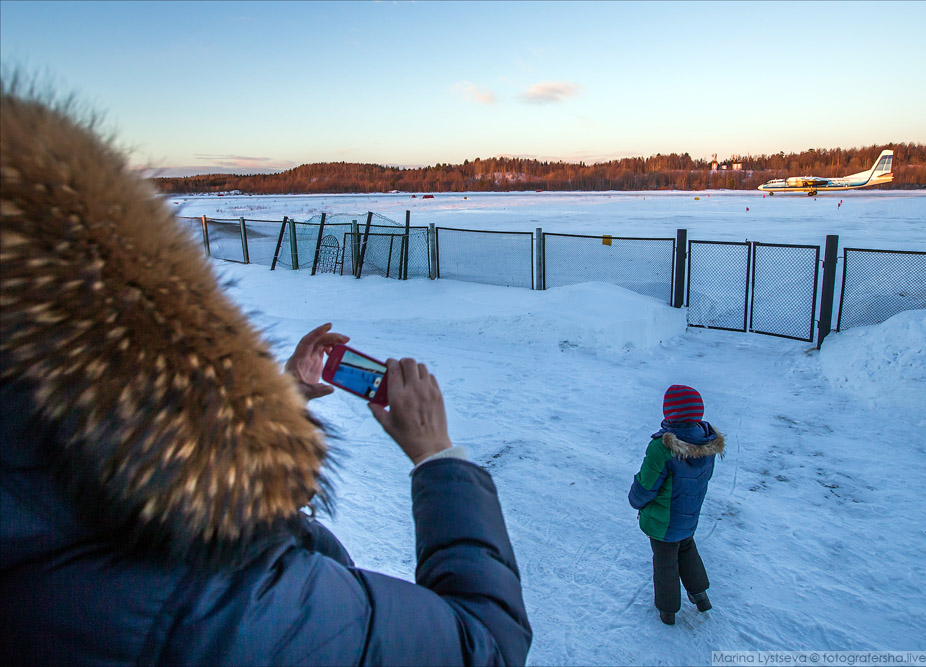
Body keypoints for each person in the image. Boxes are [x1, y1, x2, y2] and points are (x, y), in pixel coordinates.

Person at [0, 86, 531, 665]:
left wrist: (280, 403)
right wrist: (437, 456)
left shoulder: (48, 485)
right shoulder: (209, 598)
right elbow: (485, 645)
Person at [628, 384, 725, 625]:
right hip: (688, 517)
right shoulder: (707, 443)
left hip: (663, 523)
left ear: (669, 413)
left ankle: (667, 611)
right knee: (687, 551)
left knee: (665, 564)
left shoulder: (662, 447)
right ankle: (701, 597)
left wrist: (634, 500)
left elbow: (647, 485)